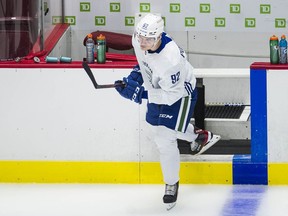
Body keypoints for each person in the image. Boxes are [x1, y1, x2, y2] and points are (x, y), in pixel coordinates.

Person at [114, 13, 220, 210]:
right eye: (140, 37)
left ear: (159, 36)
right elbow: (143, 62)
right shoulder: (141, 40)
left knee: (165, 137)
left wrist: (139, 94)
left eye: (149, 39)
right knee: (159, 128)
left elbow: (172, 96)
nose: (143, 42)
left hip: (181, 93)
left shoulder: (170, 60)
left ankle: (171, 183)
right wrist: (133, 80)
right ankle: (200, 137)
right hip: (158, 87)